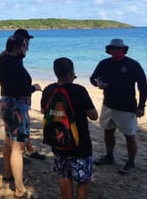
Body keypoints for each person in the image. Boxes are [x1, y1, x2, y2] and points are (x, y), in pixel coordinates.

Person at [41, 57, 98, 199]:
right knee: (83, 179)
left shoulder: (49, 89)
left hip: (58, 141)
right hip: (80, 144)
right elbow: (94, 116)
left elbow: (43, 110)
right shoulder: (79, 90)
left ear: (56, 73)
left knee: (64, 176)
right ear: (72, 72)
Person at [89, 38, 147, 174]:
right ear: (108, 50)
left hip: (126, 106)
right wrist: (98, 84)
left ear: (124, 50)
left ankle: (131, 162)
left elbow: (143, 86)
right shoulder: (104, 63)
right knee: (108, 131)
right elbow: (93, 78)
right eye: (113, 48)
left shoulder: (133, 65)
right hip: (108, 104)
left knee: (129, 136)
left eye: (118, 48)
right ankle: (109, 156)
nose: (115, 50)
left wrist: (141, 106)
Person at [0, 34, 41, 199]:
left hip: (5, 103)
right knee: (17, 149)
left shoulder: (5, 60)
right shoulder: (14, 64)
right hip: (16, 108)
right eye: (25, 45)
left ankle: (8, 173)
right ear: (18, 47)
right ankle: (20, 189)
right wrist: (33, 88)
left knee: (8, 142)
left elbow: (11, 87)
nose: (26, 48)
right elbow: (18, 90)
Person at [13, 28, 46, 161]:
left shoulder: (16, 57)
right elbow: (18, 87)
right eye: (26, 40)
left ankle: (29, 149)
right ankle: (20, 155)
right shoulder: (14, 59)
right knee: (19, 130)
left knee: (23, 128)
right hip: (17, 102)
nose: (28, 43)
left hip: (19, 102)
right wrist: (33, 88)